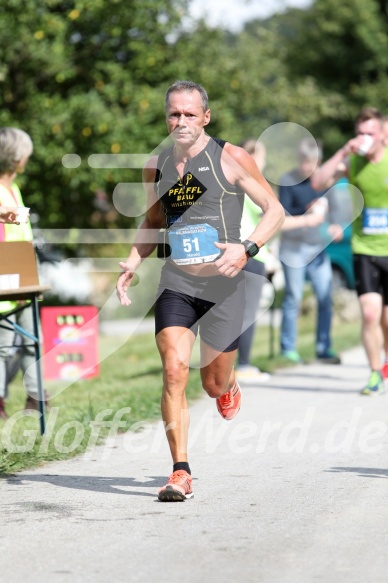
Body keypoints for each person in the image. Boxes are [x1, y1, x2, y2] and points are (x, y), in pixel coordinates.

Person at [116, 80, 285, 501]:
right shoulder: (156, 165)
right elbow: (153, 220)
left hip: (226, 284)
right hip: (178, 280)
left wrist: (248, 250)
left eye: (190, 114)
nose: (182, 121)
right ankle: (180, 471)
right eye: (174, 113)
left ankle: (227, 386)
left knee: (212, 384)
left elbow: (274, 210)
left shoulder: (230, 157)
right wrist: (133, 263)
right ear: (166, 117)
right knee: (174, 370)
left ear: (205, 117)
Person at [312, 107, 388, 393]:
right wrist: (343, 151)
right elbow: (318, 181)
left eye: (370, 133)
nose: (364, 138)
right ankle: (373, 373)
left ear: (382, 134)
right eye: (359, 133)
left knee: (386, 319)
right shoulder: (353, 163)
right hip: (364, 248)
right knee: (370, 314)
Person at [278, 137, 343, 365]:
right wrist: (305, 212)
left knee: (325, 296)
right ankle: (288, 349)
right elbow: (282, 217)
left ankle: (323, 347)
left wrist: (335, 225)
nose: (309, 167)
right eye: (306, 162)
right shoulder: (287, 180)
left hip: (317, 248)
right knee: (293, 297)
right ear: (299, 160)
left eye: (314, 162)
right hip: (293, 247)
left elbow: (334, 209)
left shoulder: (323, 182)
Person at [0, 127, 44, 419]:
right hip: (3, 274)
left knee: (32, 339)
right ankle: (0, 400)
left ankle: (36, 397)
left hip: (23, 271)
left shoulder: (13, 187)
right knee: (3, 346)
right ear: (17, 158)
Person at [235, 139, 271, 384]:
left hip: (234, 252)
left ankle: (228, 366)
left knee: (233, 314)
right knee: (247, 314)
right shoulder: (253, 184)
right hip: (252, 254)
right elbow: (274, 218)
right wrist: (308, 221)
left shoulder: (232, 182)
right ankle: (244, 365)